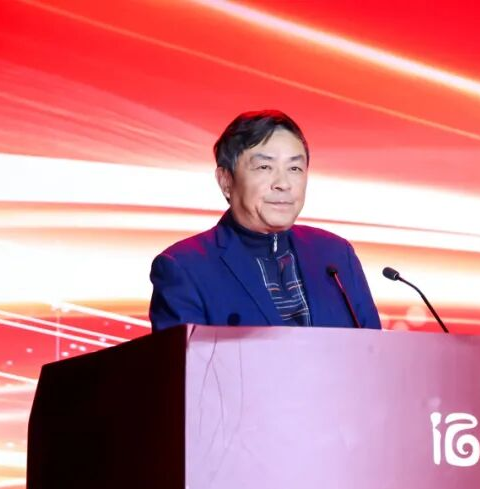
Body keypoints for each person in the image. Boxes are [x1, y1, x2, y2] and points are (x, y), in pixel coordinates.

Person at [149, 110, 381, 332]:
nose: (283, 184)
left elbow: (375, 351)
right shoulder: (184, 268)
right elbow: (187, 360)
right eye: (264, 167)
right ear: (226, 181)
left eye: (295, 168)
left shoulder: (336, 254)